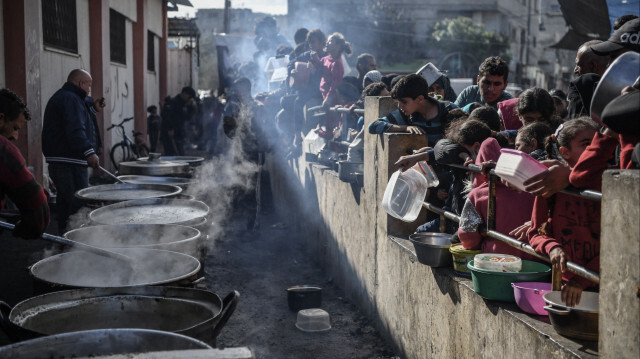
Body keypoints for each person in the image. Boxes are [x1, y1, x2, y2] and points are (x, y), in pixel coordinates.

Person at [527, 118, 600, 307]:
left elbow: (616, 245)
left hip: (603, 281)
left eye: (597, 143)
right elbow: (535, 233)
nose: (595, 150)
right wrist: (552, 247)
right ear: (564, 152)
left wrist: (582, 281)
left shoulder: (609, 182)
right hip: (565, 282)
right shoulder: (552, 184)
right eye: (586, 145)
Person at [458, 137, 536, 258]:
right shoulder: (529, 187)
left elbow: (467, 237)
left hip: (496, 260)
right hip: (536, 259)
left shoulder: (477, 195)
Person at [42, 69, 99, 234]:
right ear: (81, 83)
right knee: (76, 205)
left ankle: (65, 240)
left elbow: (81, 118)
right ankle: (75, 242)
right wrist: (89, 152)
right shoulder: (71, 99)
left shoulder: (67, 97)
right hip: (69, 162)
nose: (89, 89)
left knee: (66, 203)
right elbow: (75, 129)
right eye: (89, 85)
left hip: (63, 161)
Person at [0, 88, 50, 239]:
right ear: (1, 119)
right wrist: (29, 228)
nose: (15, 136)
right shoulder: (3, 150)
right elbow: (38, 206)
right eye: (15, 128)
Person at [222, 77, 267, 230]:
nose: (236, 92)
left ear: (246, 89)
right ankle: (239, 225)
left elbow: (259, 132)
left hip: (254, 153)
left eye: (239, 89)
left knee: (253, 190)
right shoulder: (235, 106)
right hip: (239, 152)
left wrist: (239, 125)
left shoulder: (256, 108)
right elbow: (229, 131)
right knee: (240, 186)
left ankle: (253, 227)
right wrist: (231, 126)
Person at [368, 74, 457, 145]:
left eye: (404, 102)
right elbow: (373, 126)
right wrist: (405, 128)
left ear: (420, 99)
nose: (399, 106)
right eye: (398, 102)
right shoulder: (405, 115)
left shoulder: (450, 110)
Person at [160, 86, 196, 156]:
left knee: (180, 155)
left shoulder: (184, 105)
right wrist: (170, 128)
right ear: (184, 94)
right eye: (189, 97)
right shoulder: (173, 102)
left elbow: (187, 118)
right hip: (170, 134)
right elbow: (165, 115)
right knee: (171, 155)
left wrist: (192, 107)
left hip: (179, 134)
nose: (190, 99)